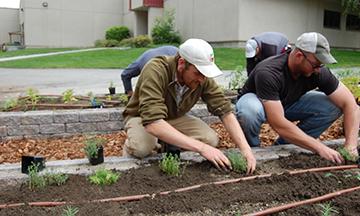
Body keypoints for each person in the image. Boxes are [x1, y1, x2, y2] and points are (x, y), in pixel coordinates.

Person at [123, 38, 256, 173]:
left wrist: (246, 149)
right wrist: (202, 149)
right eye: (198, 73)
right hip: (142, 117)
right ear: (181, 63)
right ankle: (132, 153)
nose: (202, 79)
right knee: (142, 147)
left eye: (204, 74)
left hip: (173, 117)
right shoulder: (156, 69)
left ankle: (165, 142)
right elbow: (152, 122)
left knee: (210, 140)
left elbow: (225, 111)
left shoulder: (202, 78)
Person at [236, 32, 360, 164]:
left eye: (321, 65)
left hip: (286, 102)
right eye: (316, 65)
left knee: (333, 106)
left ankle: (284, 146)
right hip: (258, 102)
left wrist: (351, 146)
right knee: (249, 111)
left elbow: (351, 105)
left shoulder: (317, 71)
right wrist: (319, 148)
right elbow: (278, 123)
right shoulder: (269, 72)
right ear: (299, 56)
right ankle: (254, 149)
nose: (318, 70)